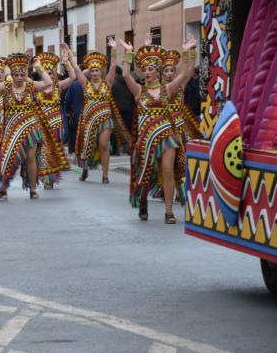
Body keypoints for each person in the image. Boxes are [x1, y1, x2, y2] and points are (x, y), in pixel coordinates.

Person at [118, 38, 196, 223]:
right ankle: (143, 201)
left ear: (158, 71)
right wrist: (129, 53)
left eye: (150, 69)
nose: (146, 73)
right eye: (144, 70)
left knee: (168, 171)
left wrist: (187, 52)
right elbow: (127, 76)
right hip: (146, 139)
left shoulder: (167, 89)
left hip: (167, 135)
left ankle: (169, 211)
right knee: (146, 172)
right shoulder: (139, 91)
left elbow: (185, 73)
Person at [0, 53, 69, 200]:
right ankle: (3, 187)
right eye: (16, 75)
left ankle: (33, 188)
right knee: (7, 158)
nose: (19, 77)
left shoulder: (31, 86)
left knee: (31, 158)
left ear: (26, 74)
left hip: (30, 127)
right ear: (12, 74)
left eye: (22, 74)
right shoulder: (5, 86)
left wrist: (38, 66)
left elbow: (48, 83)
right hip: (11, 128)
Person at [70, 38, 131, 184]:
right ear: (89, 73)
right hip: (89, 119)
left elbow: (113, 66)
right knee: (87, 147)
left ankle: (105, 175)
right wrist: (70, 57)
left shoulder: (107, 83)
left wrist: (114, 49)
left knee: (104, 144)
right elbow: (77, 70)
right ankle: (84, 170)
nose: (95, 73)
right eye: (92, 71)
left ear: (100, 71)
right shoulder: (85, 84)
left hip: (105, 119)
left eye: (97, 70)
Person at [34, 44, 76, 189]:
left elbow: (73, 77)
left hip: (56, 123)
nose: (49, 76)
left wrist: (66, 61)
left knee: (53, 149)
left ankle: (51, 176)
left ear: (55, 74)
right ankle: (46, 177)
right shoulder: (36, 86)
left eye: (51, 73)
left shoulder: (59, 86)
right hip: (41, 123)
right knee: (44, 150)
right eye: (46, 73)